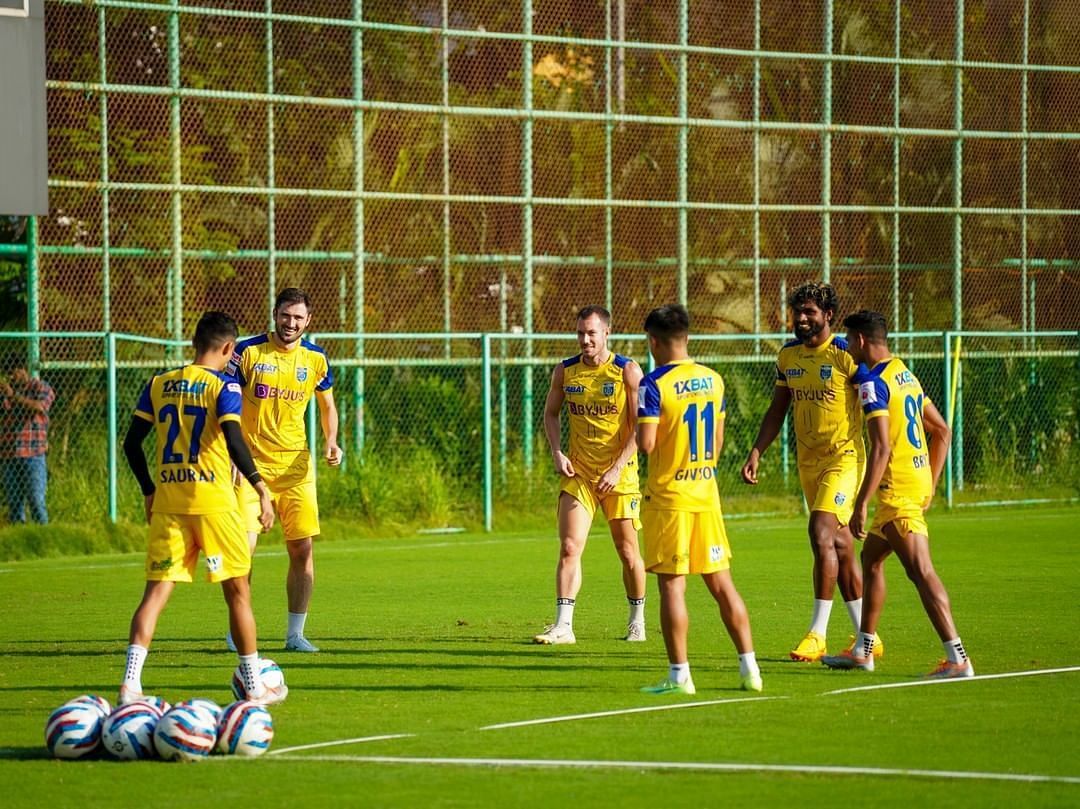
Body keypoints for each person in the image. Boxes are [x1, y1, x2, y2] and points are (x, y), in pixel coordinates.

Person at [119, 311, 285, 705]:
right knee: (238, 594)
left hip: (170, 505)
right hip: (214, 505)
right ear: (228, 348)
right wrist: (260, 487)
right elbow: (233, 438)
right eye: (233, 353)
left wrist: (148, 490)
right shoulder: (222, 386)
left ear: (196, 342)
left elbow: (131, 444)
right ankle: (253, 683)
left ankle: (130, 685)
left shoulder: (159, 383)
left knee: (155, 595)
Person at [823, 311, 973, 678]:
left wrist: (860, 504)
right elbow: (942, 430)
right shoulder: (903, 372)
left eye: (849, 341)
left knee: (921, 571)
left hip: (897, 493)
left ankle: (957, 658)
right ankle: (863, 649)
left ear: (859, 340)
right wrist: (932, 483)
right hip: (912, 485)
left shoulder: (873, 382)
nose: (848, 349)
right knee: (871, 559)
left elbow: (881, 448)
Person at [740, 281, 883, 663]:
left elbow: (877, 411)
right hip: (809, 462)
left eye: (810, 313)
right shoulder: (788, 357)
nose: (801, 319)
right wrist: (757, 450)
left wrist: (883, 459)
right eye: (797, 312)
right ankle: (867, 636)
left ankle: (817, 634)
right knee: (839, 545)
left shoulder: (846, 355)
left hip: (845, 459)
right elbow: (777, 408)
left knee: (819, 532)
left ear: (828, 316)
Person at [637, 304, 762, 694]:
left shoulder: (653, 384)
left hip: (670, 498)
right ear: (687, 338)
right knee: (722, 585)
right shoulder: (713, 379)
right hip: (706, 495)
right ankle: (751, 671)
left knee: (672, 588)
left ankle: (680, 676)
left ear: (653, 342)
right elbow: (719, 440)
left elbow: (647, 444)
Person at [227, 288, 342, 653]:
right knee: (244, 549)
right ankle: (237, 630)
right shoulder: (248, 351)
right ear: (274, 314)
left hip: (296, 467)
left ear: (308, 321)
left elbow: (327, 408)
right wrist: (230, 455)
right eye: (285, 315)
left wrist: (331, 441)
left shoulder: (316, 359)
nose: (290, 323)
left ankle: (295, 635)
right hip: (250, 466)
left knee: (302, 549)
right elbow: (225, 402)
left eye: (298, 317)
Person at [534, 305, 648, 644]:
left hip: (620, 475)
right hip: (580, 473)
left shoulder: (627, 371)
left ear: (606, 334)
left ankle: (636, 619)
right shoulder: (565, 371)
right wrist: (557, 451)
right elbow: (551, 415)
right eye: (580, 333)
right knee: (570, 547)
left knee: (627, 553)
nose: (585, 340)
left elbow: (643, 424)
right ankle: (564, 626)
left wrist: (617, 467)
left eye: (591, 333)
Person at [0, 355, 55, 524]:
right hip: (9, 455)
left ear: (23, 370)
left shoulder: (40, 387)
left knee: (36, 500)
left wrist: (13, 395)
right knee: (14, 504)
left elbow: (39, 407)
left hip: (33, 454)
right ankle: (21, 539)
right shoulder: (4, 394)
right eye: (7, 373)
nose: (11, 376)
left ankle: (43, 538)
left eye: (13, 372)